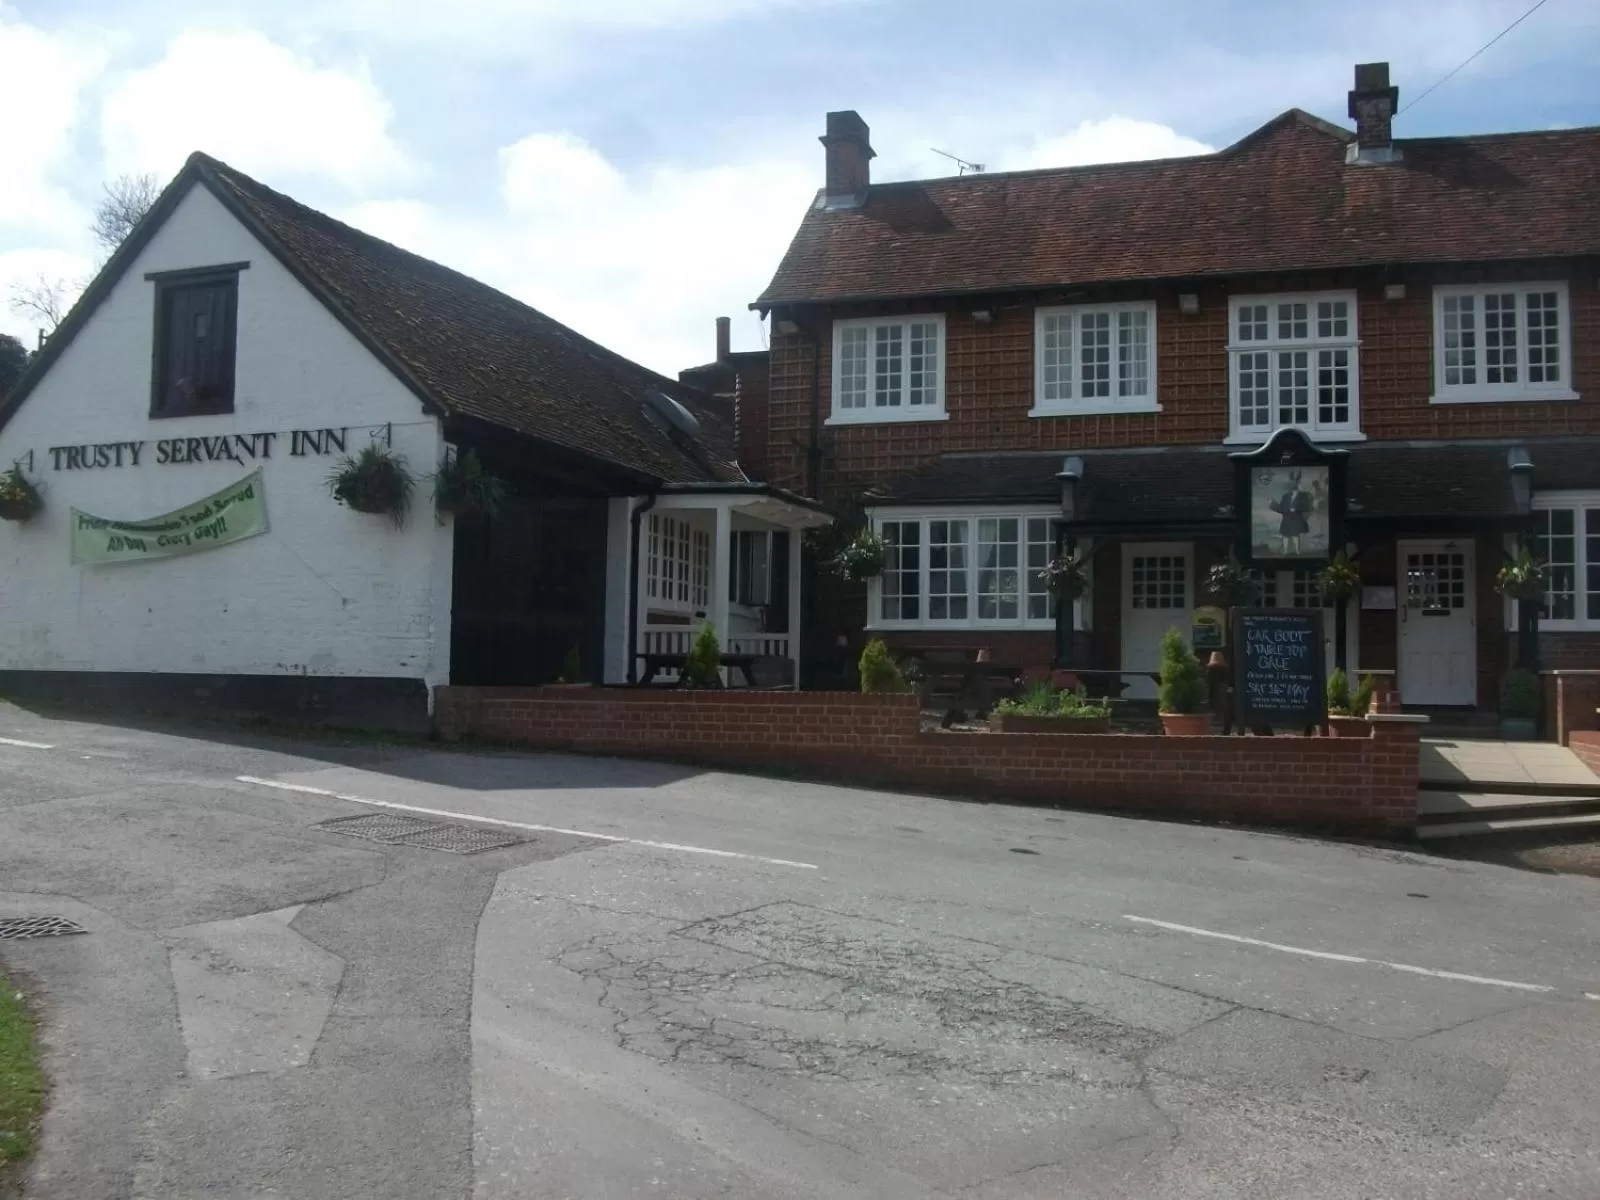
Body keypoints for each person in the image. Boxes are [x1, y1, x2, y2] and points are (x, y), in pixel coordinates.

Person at [1268, 471, 1312, 556]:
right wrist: (1272, 504)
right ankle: (1285, 551)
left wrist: (1296, 509)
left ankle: (1297, 552)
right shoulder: (1286, 496)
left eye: (1295, 484)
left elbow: (1307, 507)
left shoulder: (1303, 496)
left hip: (1296, 519)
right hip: (1286, 519)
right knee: (1285, 535)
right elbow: (1281, 509)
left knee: (1295, 535)